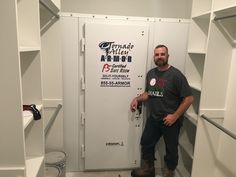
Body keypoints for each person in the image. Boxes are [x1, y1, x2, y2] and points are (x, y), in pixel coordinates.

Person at [130, 45, 193, 177]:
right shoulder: (151, 74)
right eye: (157, 54)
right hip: (154, 118)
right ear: (154, 57)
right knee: (146, 142)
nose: (159, 57)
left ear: (167, 56)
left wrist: (175, 116)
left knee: (171, 149)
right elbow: (149, 93)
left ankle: (169, 173)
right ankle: (148, 170)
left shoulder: (176, 75)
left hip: (170, 120)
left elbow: (189, 98)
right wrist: (137, 99)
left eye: (162, 54)